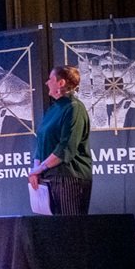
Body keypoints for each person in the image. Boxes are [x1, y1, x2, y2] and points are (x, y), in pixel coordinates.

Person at [29, 64, 93, 215]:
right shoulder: (52, 109)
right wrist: (35, 171)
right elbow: (41, 143)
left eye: (50, 79)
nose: (47, 83)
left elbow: (66, 148)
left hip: (68, 177)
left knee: (69, 227)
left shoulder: (74, 108)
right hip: (48, 178)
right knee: (54, 228)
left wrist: (40, 168)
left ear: (61, 83)